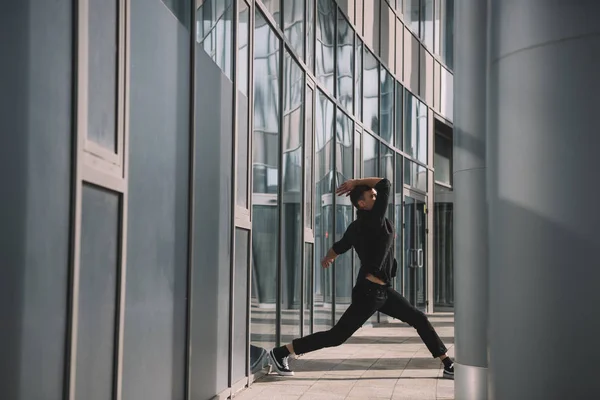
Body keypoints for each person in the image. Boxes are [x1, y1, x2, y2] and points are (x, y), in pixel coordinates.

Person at [268, 177, 454, 379]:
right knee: (337, 336)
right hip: (369, 292)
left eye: (376, 195)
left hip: (383, 291)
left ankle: (447, 364)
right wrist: (356, 182)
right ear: (362, 204)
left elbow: (339, 247)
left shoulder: (359, 226)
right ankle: (281, 352)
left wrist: (327, 259)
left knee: (419, 319)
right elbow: (386, 183)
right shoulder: (374, 220)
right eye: (372, 196)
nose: (377, 197)